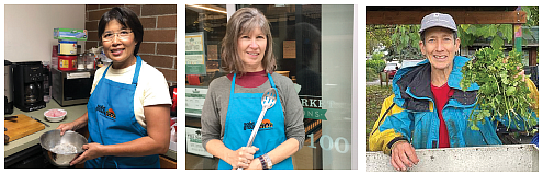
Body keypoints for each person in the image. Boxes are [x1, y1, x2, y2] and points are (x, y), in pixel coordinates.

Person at [368, 12, 539, 171]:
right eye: (432, 40)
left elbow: (525, 121)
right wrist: (397, 142)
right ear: (423, 47)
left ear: (456, 44)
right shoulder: (409, 88)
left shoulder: (483, 78)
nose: (440, 48)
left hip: (484, 168)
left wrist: (522, 86)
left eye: (446, 39)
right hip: (429, 169)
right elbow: (382, 131)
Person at [56, 7, 171, 168]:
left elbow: (160, 143)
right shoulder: (100, 73)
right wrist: (74, 124)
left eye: (124, 32)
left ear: (136, 38)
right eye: (108, 35)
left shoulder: (152, 79)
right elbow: (99, 110)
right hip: (95, 164)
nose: (115, 41)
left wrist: (104, 150)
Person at [201, 8, 305, 170]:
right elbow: (208, 138)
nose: (254, 45)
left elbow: (297, 137)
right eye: (245, 37)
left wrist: (261, 163)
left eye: (260, 37)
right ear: (232, 43)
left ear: (267, 42)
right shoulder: (218, 87)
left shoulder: (283, 85)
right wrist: (232, 156)